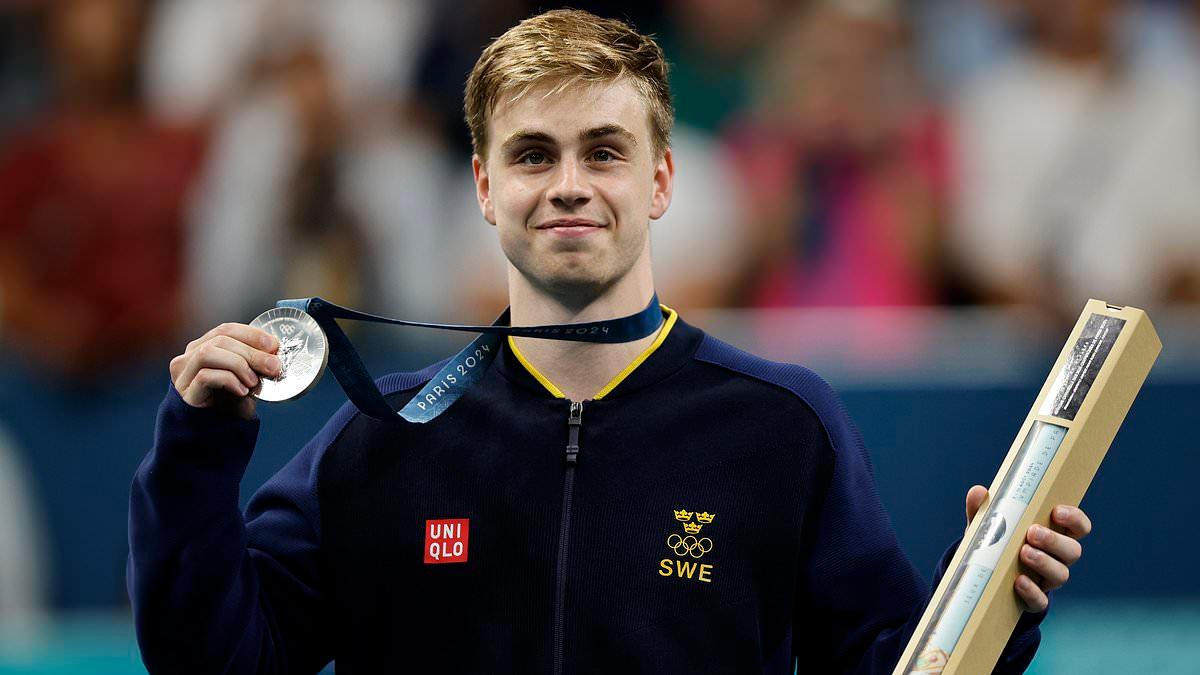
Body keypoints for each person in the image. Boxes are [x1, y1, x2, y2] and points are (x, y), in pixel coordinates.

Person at [127, 9, 1092, 673]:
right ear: (483, 188)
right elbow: (215, 658)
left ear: (662, 182)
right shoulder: (380, 436)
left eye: (605, 151)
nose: (570, 184)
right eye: (534, 155)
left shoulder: (784, 424)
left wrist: (989, 606)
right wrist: (195, 454)